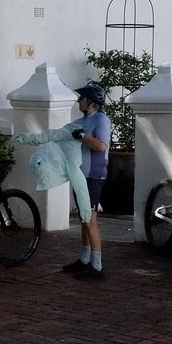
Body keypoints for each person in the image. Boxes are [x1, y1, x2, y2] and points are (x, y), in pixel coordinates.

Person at [61, 83, 112, 281]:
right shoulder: (80, 121)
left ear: (92, 101)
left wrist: (82, 137)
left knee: (90, 220)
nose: (78, 101)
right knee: (84, 219)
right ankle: (84, 260)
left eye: (82, 98)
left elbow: (101, 146)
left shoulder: (101, 120)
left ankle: (97, 266)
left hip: (93, 175)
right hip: (80, 174)